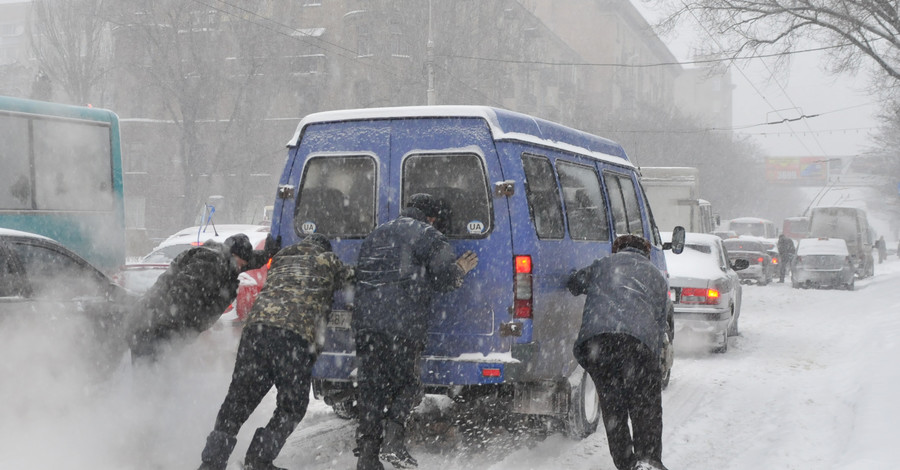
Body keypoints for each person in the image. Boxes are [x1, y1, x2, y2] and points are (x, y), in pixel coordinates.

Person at [197, 234, 353, 470]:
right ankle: (258, 460)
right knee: (292, 405)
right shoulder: (327, 260)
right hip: (291, 336)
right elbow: (352, 278)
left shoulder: (281, 257)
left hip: (256, 332)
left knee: (237, 402)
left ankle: (211, 463)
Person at [353, 193, 478, 470]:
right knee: (408, 385)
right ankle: (393, 443)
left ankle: (367, 456)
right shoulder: (429, 235)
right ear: (432, 217)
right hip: (402, 325)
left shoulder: (377, 233)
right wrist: (460, 268)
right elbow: (444, 278)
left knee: (371, 389)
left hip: (366, 324)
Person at [567, 235, 669, 470]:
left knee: (613, 408)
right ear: (646, 253)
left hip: (599, 346)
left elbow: (575, 284)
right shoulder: (656, 276)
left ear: (617, 249)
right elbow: (659, 323)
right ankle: (648, 460)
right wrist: (652, 361)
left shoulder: (603, 265)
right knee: (646, 407)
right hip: (638, 345)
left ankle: (625, 464)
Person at [127, 233, 278, 362]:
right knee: (151, 378)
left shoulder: (226, 261)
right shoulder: (209, 263)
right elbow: (179, 295)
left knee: (162, 376)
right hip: (153, 329)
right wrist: (178, 328)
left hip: (159, 327)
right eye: (240, 264)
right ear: (233, 256)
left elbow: (247, 261)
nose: (241, 268)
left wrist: (267, 254)